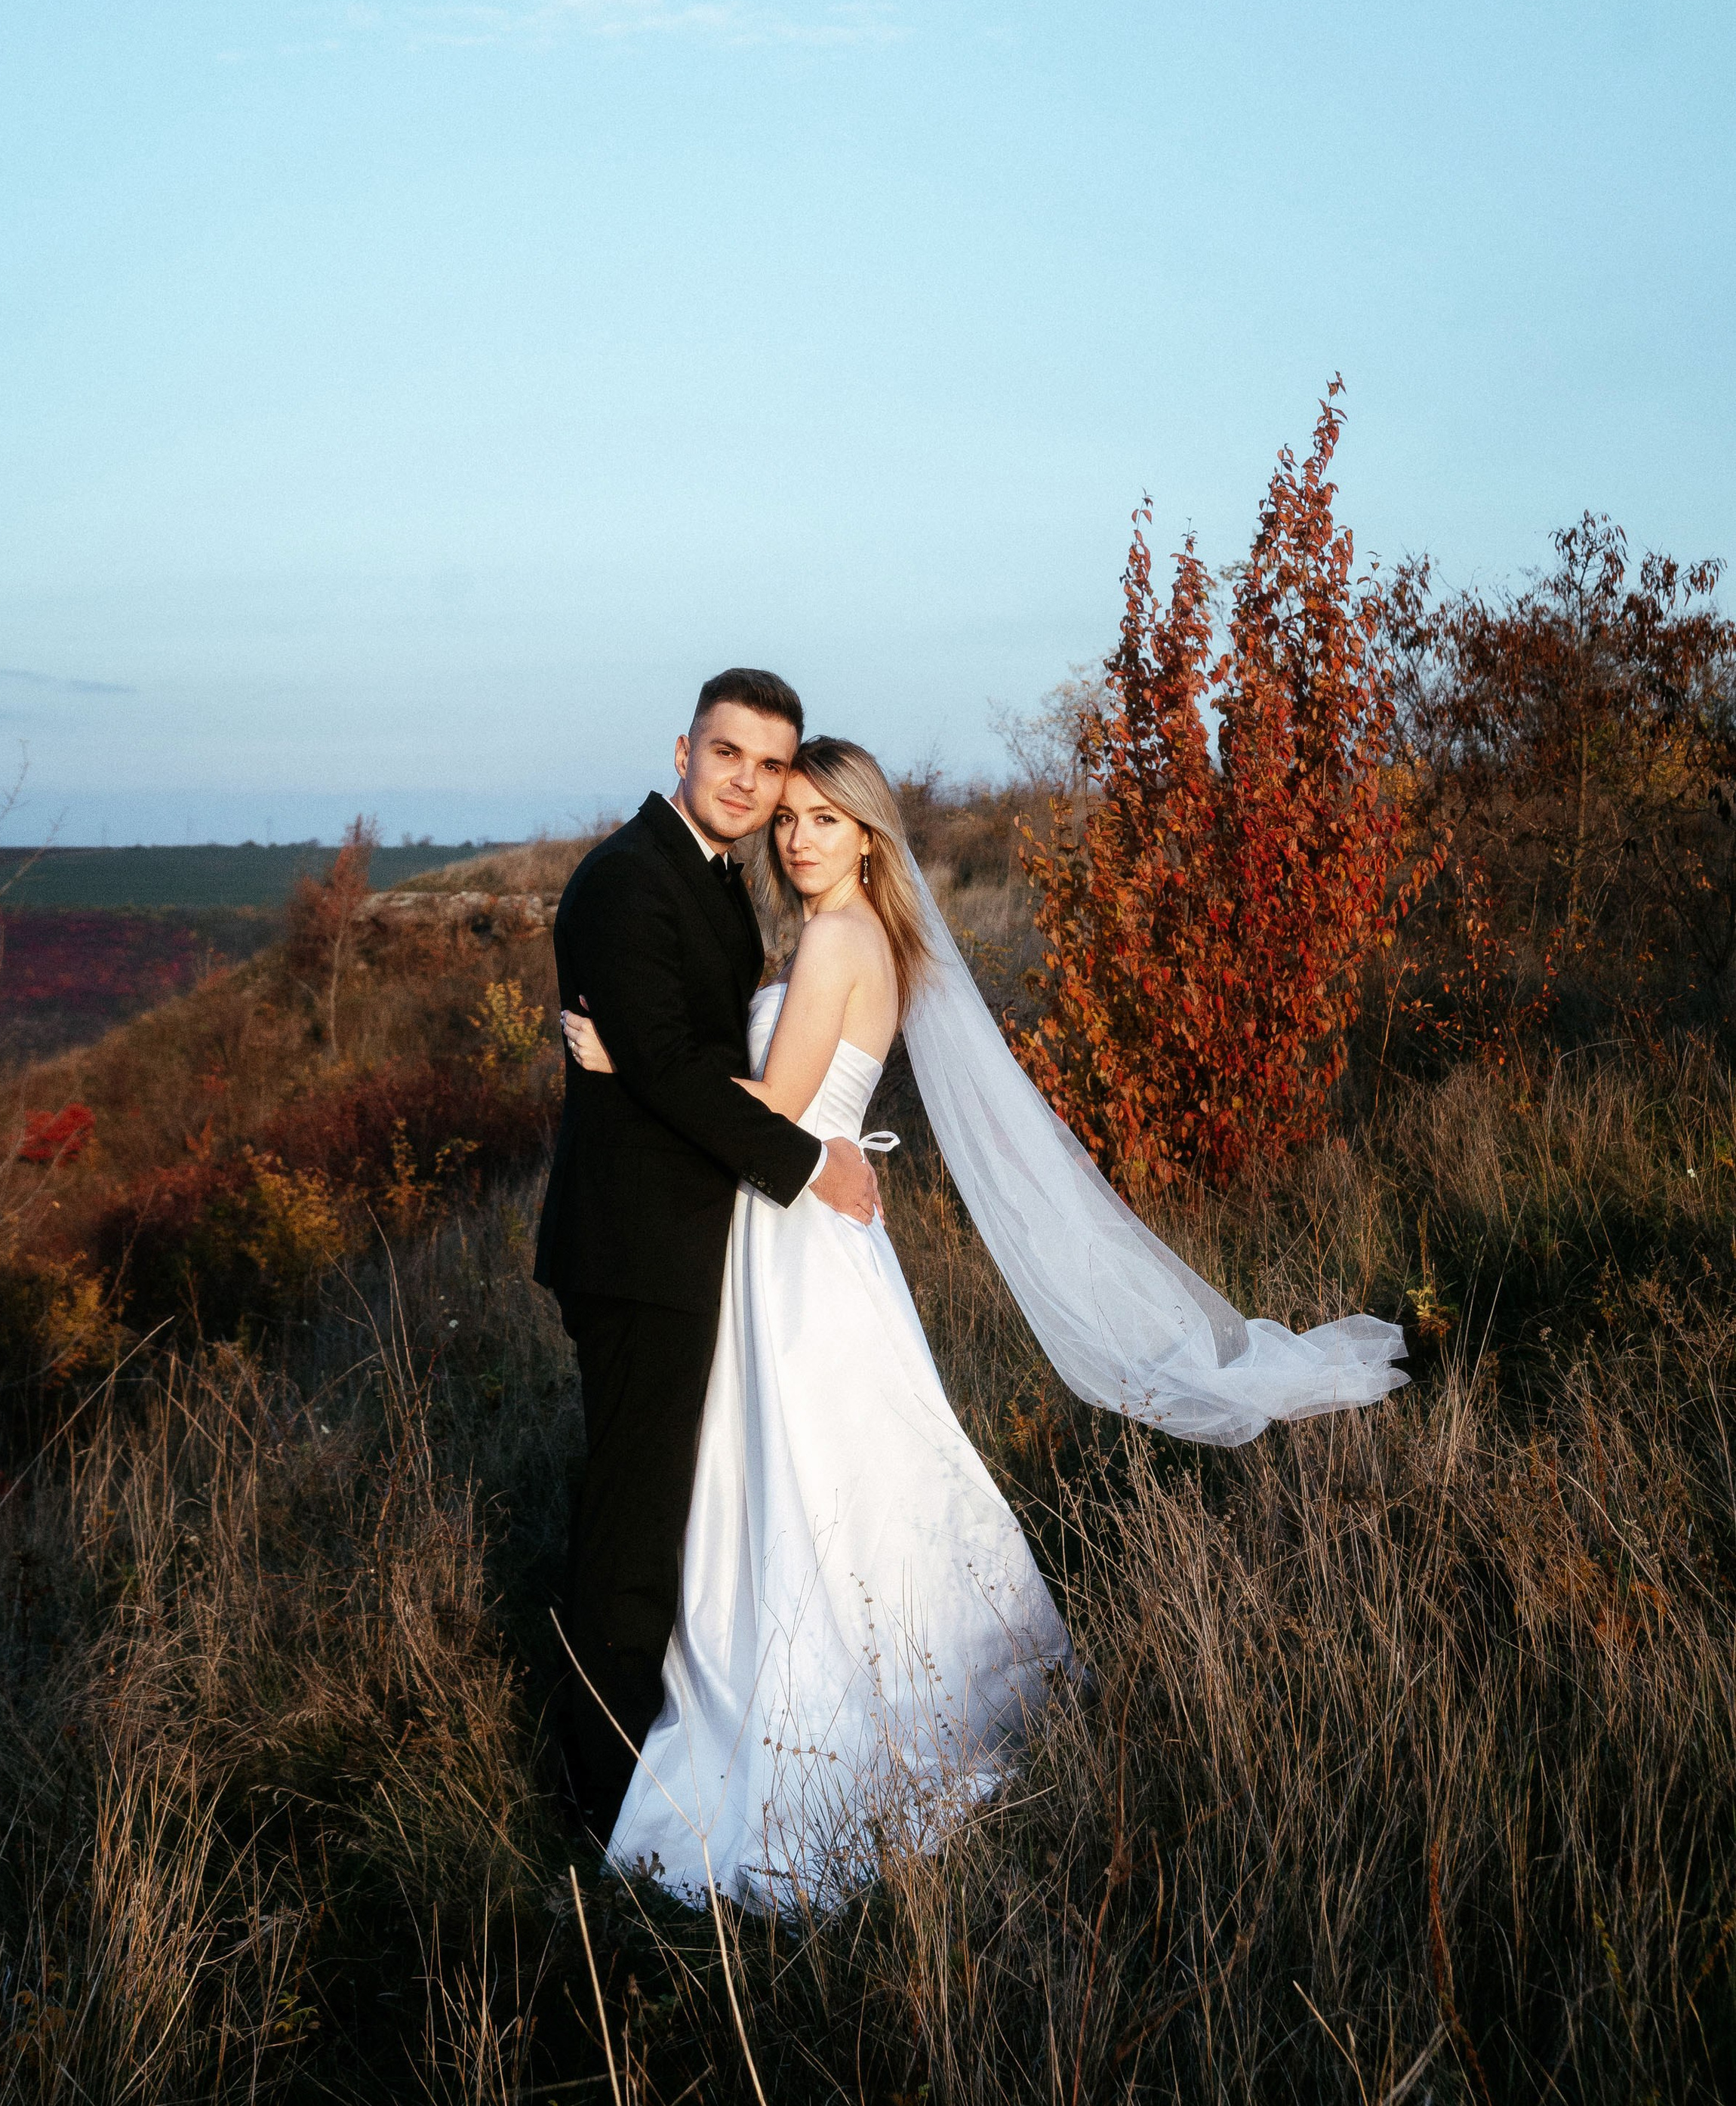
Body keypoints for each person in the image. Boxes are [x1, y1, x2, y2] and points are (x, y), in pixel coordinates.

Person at [559, 735, 1411, 1908]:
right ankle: (916, 1670)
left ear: (868, 837)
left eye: (824, 820)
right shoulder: (855, 938)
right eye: (789, 819)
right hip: (803, 1230)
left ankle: (839, 1709)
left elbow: (776, 1107)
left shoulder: (842, 939)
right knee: (844, 1464)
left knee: (818, 1471)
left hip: (796, 1244)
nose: (798, 839)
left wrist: (622, 1065)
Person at [534, 670, 881, 1844]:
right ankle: (598, 1797)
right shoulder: (629, 881)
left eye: (772, 766)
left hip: (702, 1247)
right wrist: (809, 1162)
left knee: (684, 1511)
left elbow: (680, 1059)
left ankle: (659, 1743)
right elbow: (680, 1071)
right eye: (729, 755)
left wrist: (641, 1068)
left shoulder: (723, 885)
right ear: (684, 749)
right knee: (632, 1529)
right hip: (637, 1251)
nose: (749, 782)